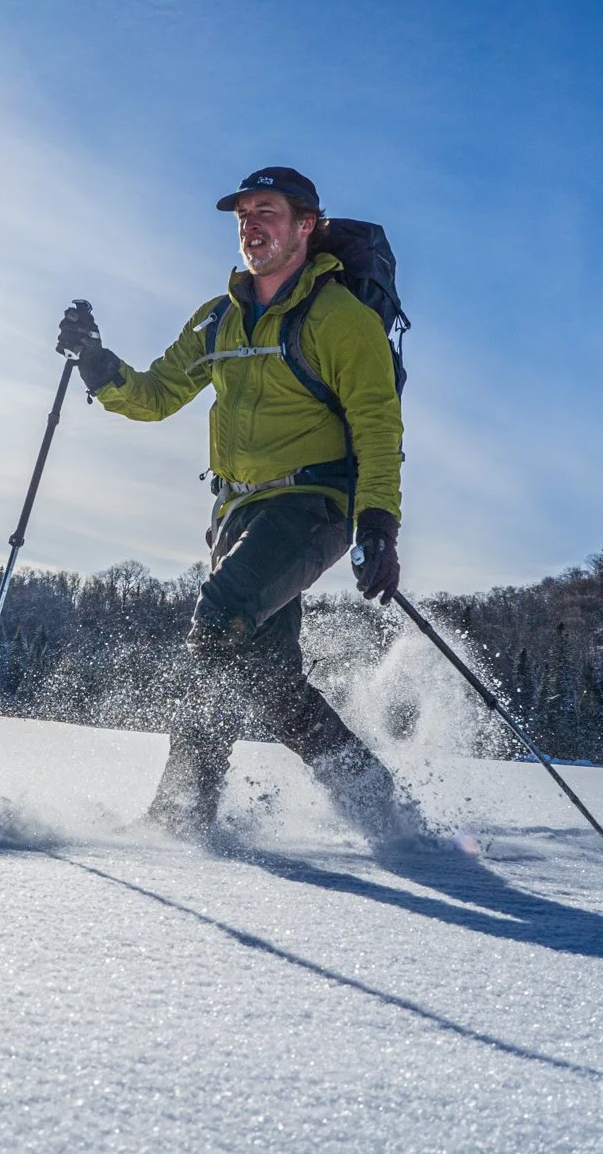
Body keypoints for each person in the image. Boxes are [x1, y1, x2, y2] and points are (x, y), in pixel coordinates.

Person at [56, 166, 419, 842]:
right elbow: (156, 395)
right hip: (234, 515)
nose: (251, 226)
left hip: (312, 503)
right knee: (269, 683)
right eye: (243, 215)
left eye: (266, 212)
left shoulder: (340, 318)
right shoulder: (217, 318)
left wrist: (379, 525)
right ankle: (379, 806)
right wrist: (98, 364)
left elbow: (377, 426)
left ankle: (182, 811)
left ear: (306, 225)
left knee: (219, 619)